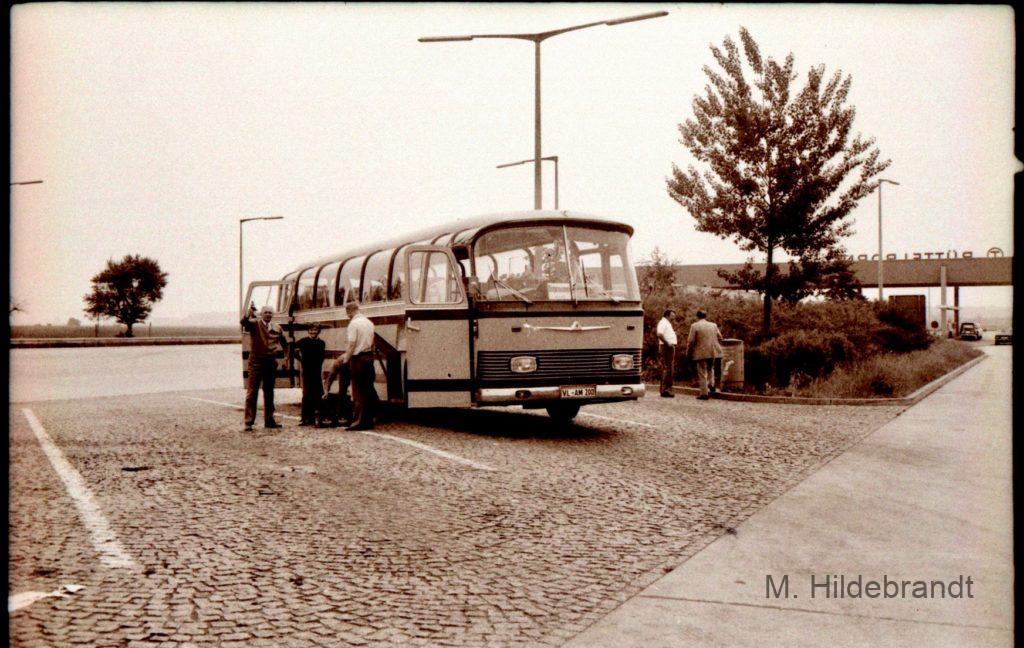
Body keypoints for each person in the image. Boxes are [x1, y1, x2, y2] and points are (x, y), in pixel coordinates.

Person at [240, 304, 286, 431]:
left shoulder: (277, 328)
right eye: (265, 312)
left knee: (269, 392)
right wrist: (248, 313)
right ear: (261, 314)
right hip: (256, 363)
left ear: (273, 315)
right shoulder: (255, 324)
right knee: (252, 392)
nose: (268, 314)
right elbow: (243, 322)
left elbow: (285, 343)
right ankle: (248, 422)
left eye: (270, 312)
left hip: (270, 363)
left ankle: (269, 421)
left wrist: (286, 358)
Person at [342, 301, 377, 430]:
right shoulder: (369, 323)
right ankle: (369, 420)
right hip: (369, 358)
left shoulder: (353, 324)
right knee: (368, 389)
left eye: (347, 313)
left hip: (358, 359)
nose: (347, 315)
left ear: (350, 311)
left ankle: (358, 421)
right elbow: (373, 344)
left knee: (358, 391)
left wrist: (346, 359)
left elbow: (352, 344)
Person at [686, 309, 724, 400]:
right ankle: (711, 384)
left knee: (702, 372)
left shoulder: (694, 326)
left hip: (700, 352)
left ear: (697, 316)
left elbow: (691, 341)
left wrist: (688, 352)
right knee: (710, 368)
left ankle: (704, 393)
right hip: (713, 351)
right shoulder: (713, 325)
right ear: (705, 316)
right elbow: (720, 337)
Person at [293, 322, 326, 426]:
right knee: (306, 394)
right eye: (311, 330)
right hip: (306, 371)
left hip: (317, 370)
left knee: (317, 393)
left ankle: (317, 417)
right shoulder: (303, 341)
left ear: (318, 331)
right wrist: (300, 359)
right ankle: (305, 418)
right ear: (308, 331)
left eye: (315, 330)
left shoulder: (321, 343)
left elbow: (322, 356)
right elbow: (292, 349)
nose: (313, 332)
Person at [322, 355, 353, 428]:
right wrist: (326, 391)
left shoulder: (352, 362)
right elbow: (330, 378)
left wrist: (353, 392)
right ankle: (342, 414)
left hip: (356, 365)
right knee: (342, 391)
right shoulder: (337, 364)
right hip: (344, 365)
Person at [657, 308, 678, 397]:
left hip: (668, 347)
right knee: (667, 368)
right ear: (667, 315)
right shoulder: (663, 322)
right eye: (672, 315)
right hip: (666, 347)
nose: (674, 317)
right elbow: (659, 334)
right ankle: (665, 390)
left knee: (668, 368)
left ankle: (665, 389)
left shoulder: (667, 323)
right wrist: (667, 343)